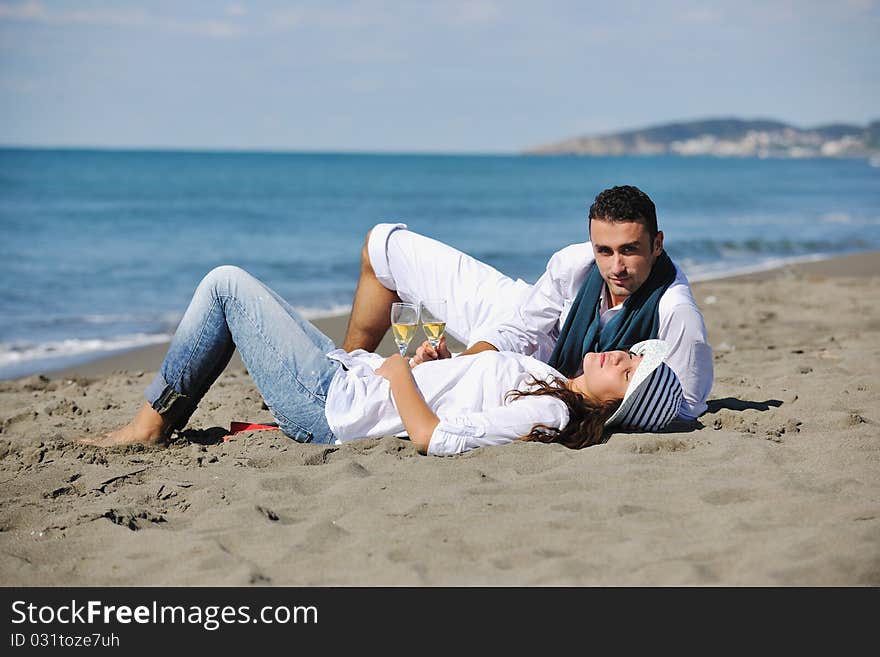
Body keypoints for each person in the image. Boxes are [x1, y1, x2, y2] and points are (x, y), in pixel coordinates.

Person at [78, 266, 683, 456]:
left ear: (616, 403)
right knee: (236, 291)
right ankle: (158, 415)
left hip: (333, 406)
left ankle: (151, 424)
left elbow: (436, 438)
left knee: (226, 285)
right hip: (350, 375)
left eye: (626, 369)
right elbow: (457, 399)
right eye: (630, 353)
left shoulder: (551, 411)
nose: (617, 353)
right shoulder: (549, 378)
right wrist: (429, 366)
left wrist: (397, 374)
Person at [342, 185, 713, 420]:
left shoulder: (676, 312)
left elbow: (687, 405)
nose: (616, 266)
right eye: (604, 250)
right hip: (521, 321)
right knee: (383, 247)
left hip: (543, 377)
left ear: (658, 243)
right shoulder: (574, 264)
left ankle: (350, 395)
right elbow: (520, 328)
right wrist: (460, 367)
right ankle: (345, 375)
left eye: (630, 251)